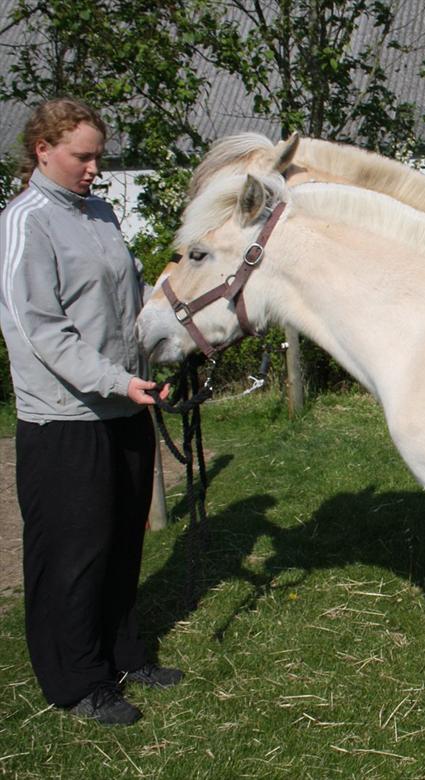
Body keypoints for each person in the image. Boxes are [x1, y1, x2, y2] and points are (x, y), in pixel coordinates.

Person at [0, 97, 181, 725]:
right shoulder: (26, 221)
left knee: (121, 542)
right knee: (74, 555)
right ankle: (76, 682)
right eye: (82, 155)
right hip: (64, 419)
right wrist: (115, 380)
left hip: (123, 403)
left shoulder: (99, 213)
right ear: (43, 149)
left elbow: (120, 300)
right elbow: (40, 329)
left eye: (99, 155)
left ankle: (122, 653)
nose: (94, 168)